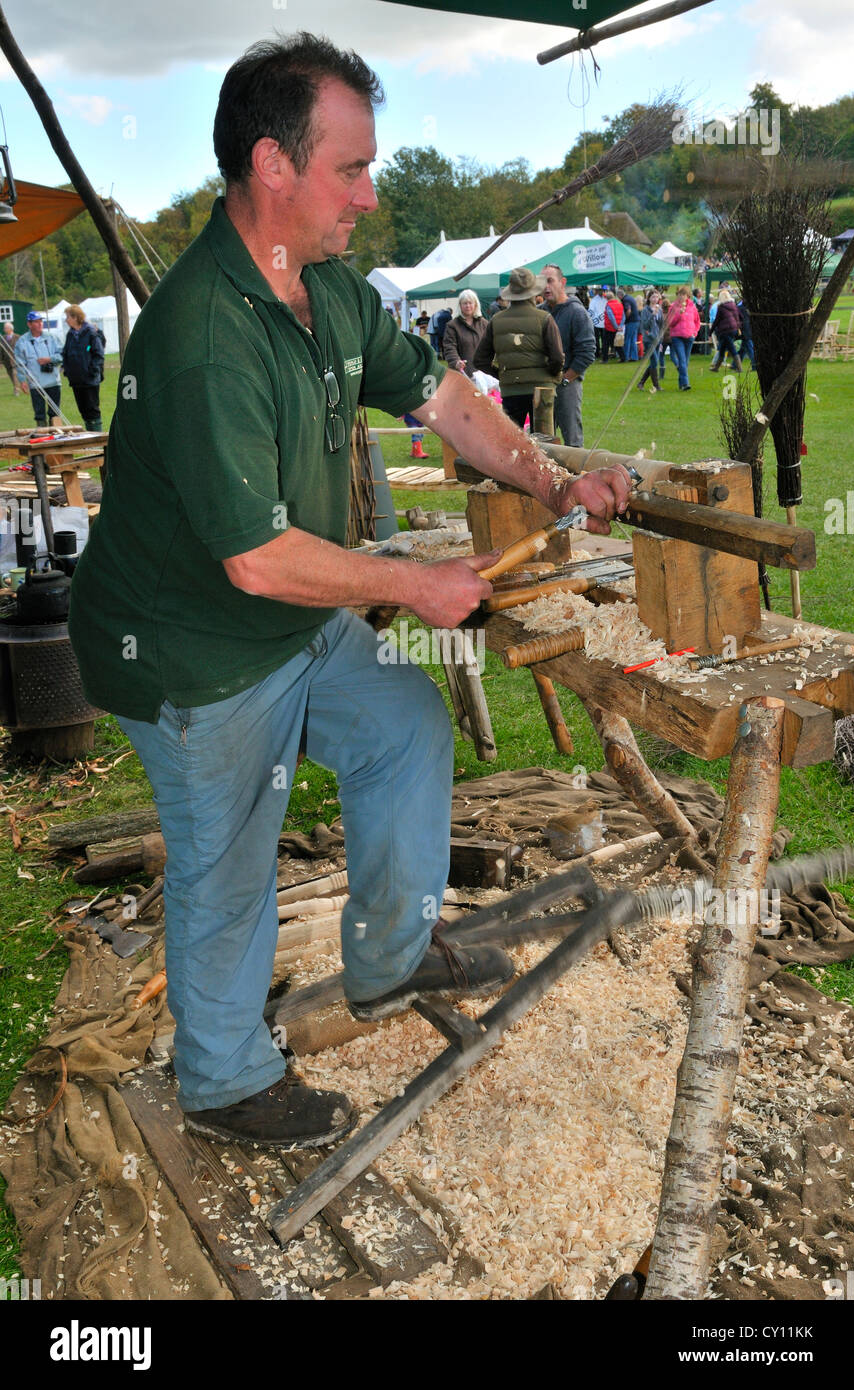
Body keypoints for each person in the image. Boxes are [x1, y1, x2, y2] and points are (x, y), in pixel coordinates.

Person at [68, 33, 632, 1151]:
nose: (369, 198)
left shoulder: (321, 286)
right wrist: (411, 582)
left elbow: (443, 398)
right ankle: (223, 1081)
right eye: (352, 170)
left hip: (286, 619)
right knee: (231, 862)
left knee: (405, 730)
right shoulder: (201, 338)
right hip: (187, 643)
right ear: (273, 166)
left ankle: (385, 957)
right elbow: (256, 558)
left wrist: (552, 475)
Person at [473, 266, 565, 432]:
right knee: (545, 446)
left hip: (511, 391)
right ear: (534, 292)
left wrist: (502, 374)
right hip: (542, 390)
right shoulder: (545, 319)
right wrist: (552, 375)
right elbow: (557, 358)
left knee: (512, 445)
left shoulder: (496, 320)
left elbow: (479, 360)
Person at [541, 263, 595, 447]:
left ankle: (578, 475)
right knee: (541, 440)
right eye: (542, 282)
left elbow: (587, 353)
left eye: (550, 281)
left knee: (572, 440)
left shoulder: (577, 312)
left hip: (567, 383)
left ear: (562, 282)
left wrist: (565, 379)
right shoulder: (539, 312)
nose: (546, 287)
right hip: (542, 385)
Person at [15, 310, 64, 424]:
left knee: (55, 413)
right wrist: (22, 380)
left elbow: (62, 355)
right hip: (35, 384)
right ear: (29, 324)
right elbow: (20, 363)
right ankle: (43, 434)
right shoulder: (22, 341)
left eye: (40, 321)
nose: (39, 324)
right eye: (36, 322)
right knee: (39, 414)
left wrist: (50, 359)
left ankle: (56, 436)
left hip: (53, 381)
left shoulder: (52, 337)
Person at [62, 304, 105, 430]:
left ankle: (97, 437)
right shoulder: (70, 335)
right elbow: (65, 353)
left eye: (68, 317)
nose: (66, 320)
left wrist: (92, 370)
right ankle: (90, 438)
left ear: (75, 317)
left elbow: (99, 354)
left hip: (89, 379)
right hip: (76, 380)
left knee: (92, 410)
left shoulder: (90, 333)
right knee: (83, 411)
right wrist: (67, 370)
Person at [442, 290, 487, 379]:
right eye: (465, 303)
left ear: (475, 305)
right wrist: (456, 361)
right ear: (460, 305)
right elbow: (449, 347)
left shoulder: (484, 324)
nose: (468, 306)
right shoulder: (452, 326)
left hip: (483, 372)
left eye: (470, 303)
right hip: (462, 373)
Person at [665, 286, 700, 391]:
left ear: (687, 296)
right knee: (682, 359)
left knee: (685, 361)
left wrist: (695, 332)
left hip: (689, 336)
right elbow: (670, 323)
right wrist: (679, 314)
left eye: (683, 295)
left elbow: (697, 321)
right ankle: (685, 383)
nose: (681, 297)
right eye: (679, 294)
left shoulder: (692, 307)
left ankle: (681, 383)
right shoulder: (673, 307)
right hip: (677, 336)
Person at [636, 290, 664, 392]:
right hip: (649, 339)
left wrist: (661, 338)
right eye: (653, 297)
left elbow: (661, 324)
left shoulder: (659, 310)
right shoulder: (645, 311)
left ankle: (641, 383)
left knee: (653, 363)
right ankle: (656, 385)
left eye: (656, 297)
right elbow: (645, 325)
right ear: (649, 298)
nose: (655, 299)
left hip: (657, 339)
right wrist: (653, 314)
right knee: (655, 361)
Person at [709, 288, 742, 373]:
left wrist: (710, 331)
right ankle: (716, 367)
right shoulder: (734, 305)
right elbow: (739, 317)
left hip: (725, 331)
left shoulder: (721, 307)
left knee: (732, 349)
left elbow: (716, 320)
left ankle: (739, 368)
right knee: (722, 349)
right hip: (733, 330)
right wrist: (738, 327)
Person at [602, 287, 624, 363]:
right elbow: (623, 316)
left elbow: (611, 317)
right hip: (618, 327)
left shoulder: (608, 305)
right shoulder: (620, 304)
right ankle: (623, 357)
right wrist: (620, 326)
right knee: (617, 343)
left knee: (605, 344)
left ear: (607, 298)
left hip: (609, 328)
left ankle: (605, 359)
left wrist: (616, 327)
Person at [0, 320, 23, 395]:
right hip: (6, 361)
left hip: (16, 360)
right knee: (11, 375)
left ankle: (16, 390)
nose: (4, 329)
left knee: (15, 374)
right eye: (4, 328)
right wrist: (0, 362)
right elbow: (0, 351)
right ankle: (17, 386)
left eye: (6, 328)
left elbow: (22, 349)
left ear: (11, 329)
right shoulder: (2, 338)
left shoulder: (18, 337)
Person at [620, 285, 639, 361]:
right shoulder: (630, 297)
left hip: (631, 321)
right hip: (636, 321)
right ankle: (634, 357)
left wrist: (625, 319)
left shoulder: (625, 300)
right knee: (633, 339)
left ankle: (626, 357)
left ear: (619, 295)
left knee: (627, 339)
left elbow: (628, 310)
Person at [588, 287, 606, 357]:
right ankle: (600, 353)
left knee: (598, 339)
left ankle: (598, 353)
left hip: (599, 322)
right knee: (600, 339)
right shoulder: (603, 299)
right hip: (600, 322)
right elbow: (591, 311)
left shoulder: (594, 300)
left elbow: (590, 312)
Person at [737, 298, 755, 365]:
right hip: (747, 330)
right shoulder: (748, 308)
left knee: (750, 348)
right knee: (743, 348)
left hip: (745, 330)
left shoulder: (740, 308)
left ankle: (754, 365)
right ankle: (735, 365)